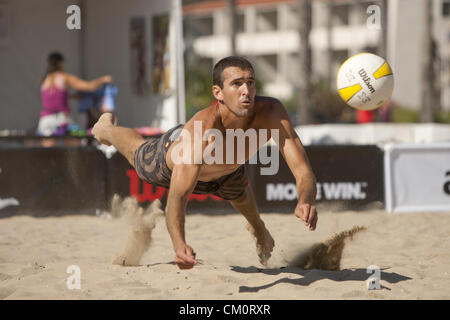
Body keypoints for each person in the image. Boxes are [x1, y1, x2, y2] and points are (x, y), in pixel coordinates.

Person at [92, 56, 318, 270]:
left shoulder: (272, 112)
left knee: (239, 190)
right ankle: (105, 128)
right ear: (218, 92)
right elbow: (178, 198)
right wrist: (179, 246)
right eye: (237, 84)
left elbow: (303, 171)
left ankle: (259, 229)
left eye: (250, 83)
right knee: (137, 151)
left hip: (228, 169)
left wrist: (305, 200)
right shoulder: (203, 129)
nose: (246, 90)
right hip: (171, 165)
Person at [37, 52, 112, 146]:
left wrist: (72, 96)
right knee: (75, 146)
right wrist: (103, 79)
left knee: (47, 153)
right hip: (62, 120)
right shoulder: (64, 77)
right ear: (60, 63)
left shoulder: (43, 80)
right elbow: (89, 86)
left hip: (45, 120)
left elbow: (54, 97)